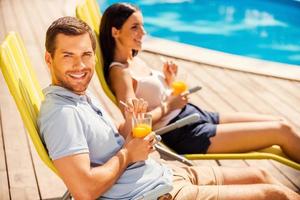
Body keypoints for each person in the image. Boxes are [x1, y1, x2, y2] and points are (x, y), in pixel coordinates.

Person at [37, 16, 300, 200]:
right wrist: (129, 153)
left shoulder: (79, 96)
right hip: (157, 194)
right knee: (276, 195)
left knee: (260, 174)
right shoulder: (62, 114)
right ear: (49, 59)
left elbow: (105, 144)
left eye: (86, 55)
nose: (80, 66)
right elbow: (84, 191)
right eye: (67, 55)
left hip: (163, 174)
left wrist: (130, 127)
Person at [99, 2, 300, 163]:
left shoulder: (134, 59)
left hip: (194, 115)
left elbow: (154, 96)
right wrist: (169, 104)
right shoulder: (120, 73)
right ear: (115, 32)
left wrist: (169, 81)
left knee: (280, 121)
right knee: (281, 132)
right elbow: (133, 124)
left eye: (142, 26)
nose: (143, 32)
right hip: (185, 132)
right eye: (135, 27)